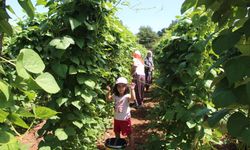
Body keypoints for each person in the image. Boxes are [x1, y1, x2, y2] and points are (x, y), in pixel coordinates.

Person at [106, 77, 136, 149]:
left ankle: (132, 147)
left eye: (123, 86)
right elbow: (108, 99)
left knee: (129, 133)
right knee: (116, 132)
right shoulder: (115, 96)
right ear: (116, 87)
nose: (121, 88)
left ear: (126, 87)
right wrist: (108, 91)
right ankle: (118, 146)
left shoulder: (127, 96)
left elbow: (133, 99)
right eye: (119, 86)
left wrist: (132, 89)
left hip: (125, 119)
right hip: (117, 119)